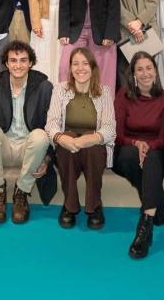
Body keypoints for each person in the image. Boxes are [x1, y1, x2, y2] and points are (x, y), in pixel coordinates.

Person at [0, 41, 57, 223]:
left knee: (41, 134)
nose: (18, 65)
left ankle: (21, 191)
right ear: (6, 63)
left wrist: (48, 158)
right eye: (13, 60)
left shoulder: (44, 87)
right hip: (2, 148)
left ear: (31, 63)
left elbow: (52, 127)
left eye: (23, 60)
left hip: (30, 150)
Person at [46, 47, 116, 229]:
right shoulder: (60, 90)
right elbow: (51, 124)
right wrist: (61, 138)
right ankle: (70, 206)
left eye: (85, 63)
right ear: (69, 68)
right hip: (68, 147)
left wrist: (93, 138)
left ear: (93, 67)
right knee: (66, 143)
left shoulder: (105, 92)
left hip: (92, 148)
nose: (80, 68)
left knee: (91, 144)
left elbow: (110, 128)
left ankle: (94, 206)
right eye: (75, 63)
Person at [113, 52, 164, 259]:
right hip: (128, 150)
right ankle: (158, 203)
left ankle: (144, 225)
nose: (145, 73)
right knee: (129, 155)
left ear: (155, 71)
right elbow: (117, 135)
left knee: (153, 157)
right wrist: (136, 143)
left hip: (157, 152)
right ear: (134, 74)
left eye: (149, 68)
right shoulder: (123, 95)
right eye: (140, 69)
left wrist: (148, 146)